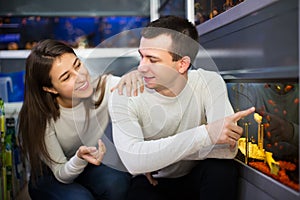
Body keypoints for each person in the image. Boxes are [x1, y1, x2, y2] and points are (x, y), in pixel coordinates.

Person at [108, 15, 255, 200]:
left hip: (194, 175)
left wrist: (152, 155)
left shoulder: (208, 82)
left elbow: (228, 148)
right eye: (141, 56)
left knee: (221, 169)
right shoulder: (124, 95)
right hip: (153, 181)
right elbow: (134, 161)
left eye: (153, 60)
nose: (141, 67)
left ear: (182, 64)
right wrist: (207, 135)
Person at [18, 39, 143, 200]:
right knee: (80, 198)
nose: (81, 77)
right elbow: (61, 173)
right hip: (52, 175)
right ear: (50, 88)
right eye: (66, 77)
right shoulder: (40, 117)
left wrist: (137, 75)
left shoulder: (103, 87)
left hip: (90, 166)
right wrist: (78, 159)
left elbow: (140, 91)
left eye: (77, 65)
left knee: (117, 182)